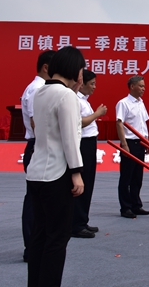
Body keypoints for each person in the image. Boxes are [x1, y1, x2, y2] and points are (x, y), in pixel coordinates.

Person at [26, 46, 85, 287]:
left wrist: (74, 92)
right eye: (81, 69)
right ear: (74, 69)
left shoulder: (40, 92)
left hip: (36, 171)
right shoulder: (66, 96)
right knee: (57, 239)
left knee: (39, 236)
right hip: (58, 174)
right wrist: (77, 172)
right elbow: (70, 137)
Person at [20, 50, 55, 262]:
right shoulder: (37, 89)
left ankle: (36, 245)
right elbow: (36, 122)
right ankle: (31, 247)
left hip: (41, 146)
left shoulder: (42, 88)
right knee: (34, 200)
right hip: (38, 146)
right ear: (46, 67)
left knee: (41, 200)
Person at [72, 69, 107, 238]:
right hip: (82, 144)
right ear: (82, 84)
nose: (94, 87)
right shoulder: (76, 100)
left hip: (89, 143)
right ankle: (76, 224)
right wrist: (97, 114)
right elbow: (79, 123)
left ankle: (82, 220)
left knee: (89, 182)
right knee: (82, 183)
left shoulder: (84, 100)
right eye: (92, 84)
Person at [116, 75, 149, 219]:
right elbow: (119, 123)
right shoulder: (123, 103)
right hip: (129, 143)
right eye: (141, 86)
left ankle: (136, 205)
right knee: (127, 177)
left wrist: (146, 141)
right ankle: (125, 207)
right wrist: (124, 144)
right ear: (132, 86)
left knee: (137, 177)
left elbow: (143, 123)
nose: (143, 89)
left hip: (140, 143)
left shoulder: (141, 103)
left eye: (144, 86)